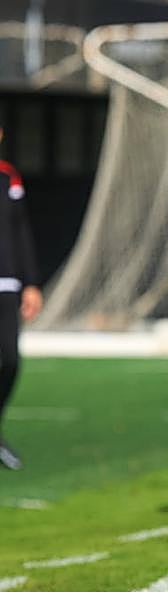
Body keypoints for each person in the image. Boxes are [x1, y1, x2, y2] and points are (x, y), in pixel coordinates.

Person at [0, 133, 40, 471]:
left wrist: (30, 283)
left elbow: (21, 231)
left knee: (10, 361)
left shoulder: (8, 176)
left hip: (6, 285)